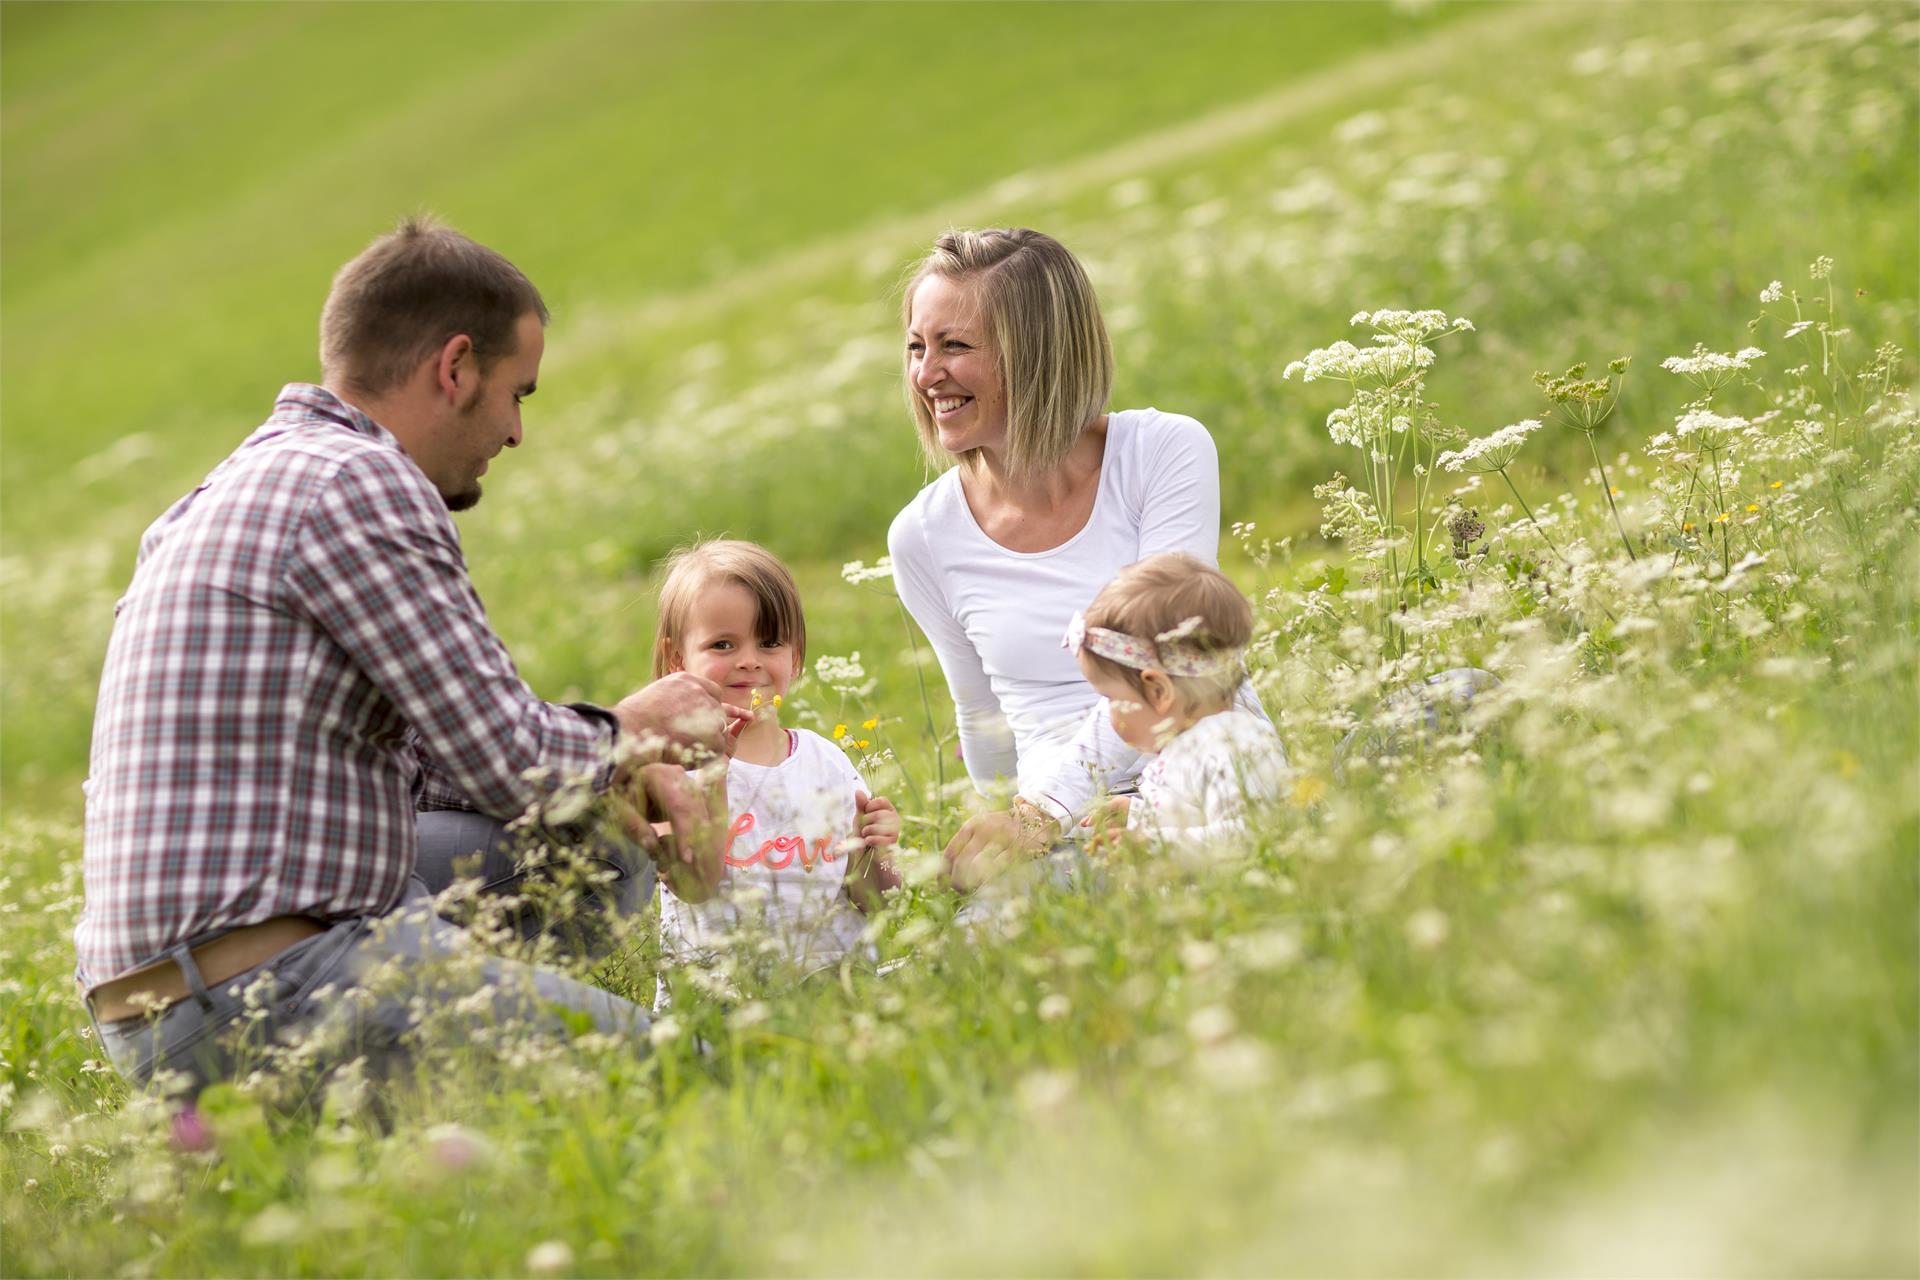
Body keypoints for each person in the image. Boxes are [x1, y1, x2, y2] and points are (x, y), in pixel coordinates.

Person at [75, 216, 733, 1098]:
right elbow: (511, 767)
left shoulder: (228, 490)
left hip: (155, 1009)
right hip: (263, 992)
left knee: (591, 842)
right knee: (692, 1080)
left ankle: (478, 1073)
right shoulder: (359, 481)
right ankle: (544, 1081)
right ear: (454, 367)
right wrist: (637, 732)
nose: (515, 433)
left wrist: (615, 765)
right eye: (518, 394)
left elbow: (436, 769)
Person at [884, 227, 1268, 887]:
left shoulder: (1162, 453)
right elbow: (982, 716)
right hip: (1069, 831)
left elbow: (1171, 660)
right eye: (917, 346)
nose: (926, 374)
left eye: (955, 346)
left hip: (1202, 771)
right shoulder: (922, 535)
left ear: (1035, 355)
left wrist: (1042, 811)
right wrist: (1004, 831)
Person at [650, 540, 901, 982]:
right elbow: (693, 885)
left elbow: (874, 900)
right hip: (725, 996)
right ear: (677, 660)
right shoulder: (671, 770)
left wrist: (879, 852)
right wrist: (711, 777)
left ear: (795, 657)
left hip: (840, 984)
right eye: (723, 645)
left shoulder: (827, 762)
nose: (749, 662)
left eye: (769, 643)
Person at [1066, 554, 1290, 852]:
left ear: (1158, 691)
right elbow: (1193, 818)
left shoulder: (1234, 747)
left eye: (1112, 700)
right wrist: (1138, 817)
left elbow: (1250, 835)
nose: (1108, 716)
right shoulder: (1188, 746)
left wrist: (1154, 844)